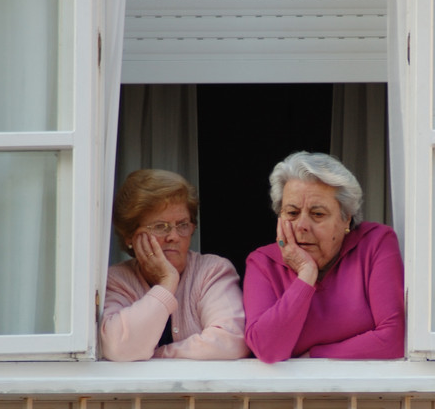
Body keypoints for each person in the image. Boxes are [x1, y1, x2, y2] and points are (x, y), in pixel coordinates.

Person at [243, 152, 405, 363]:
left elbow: (393, 339)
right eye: (292, 213)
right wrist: (306, 274)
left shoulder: (375, 243)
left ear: (346, 219)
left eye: (317, 214)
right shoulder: (263, 263)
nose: (302, 226)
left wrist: (316, 356)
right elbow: (266, 349)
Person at [100, 169, 249, 361]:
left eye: (182, 225)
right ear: (130, 235)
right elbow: (119, 347)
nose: (174, 237)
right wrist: (167, 283)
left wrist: (159, 354)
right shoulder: (116, 280)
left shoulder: (212, 271)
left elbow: (232, 341)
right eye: (160, 227)